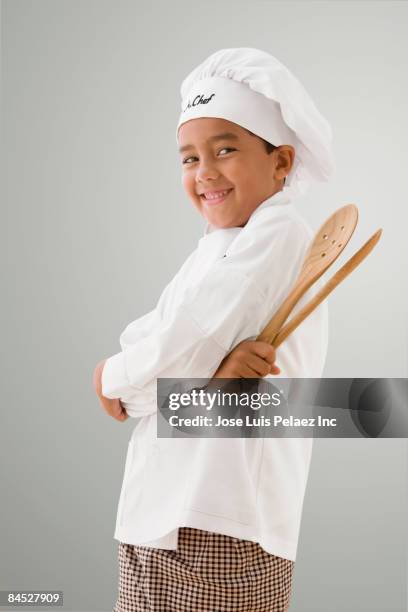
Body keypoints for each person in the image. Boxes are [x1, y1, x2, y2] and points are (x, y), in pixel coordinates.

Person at [93, 47, 334, 612]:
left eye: (225, 149)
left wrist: (114, 380)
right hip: (161, 516)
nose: (204, 173)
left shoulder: (277, 233)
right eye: (188, 158)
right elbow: (159, 341)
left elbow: (183, 343)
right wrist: (175, 379)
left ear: (280, 162)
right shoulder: (217, 248)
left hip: (216, 523)